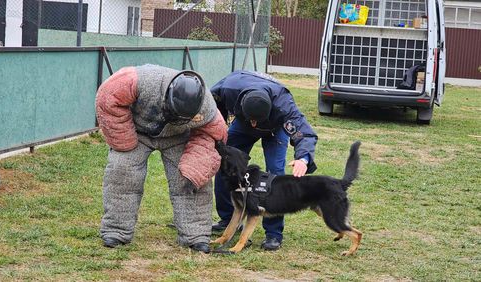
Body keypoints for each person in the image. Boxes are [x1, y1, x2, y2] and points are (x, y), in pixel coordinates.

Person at [95, 64, 227, 253]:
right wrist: (124, 139)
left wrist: (197, 163)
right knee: (122, 174)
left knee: (190, 180)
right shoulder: (138, 81)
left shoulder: (206, 106)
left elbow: (213, 134)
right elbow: (108, 98)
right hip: (136, 132)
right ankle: (116, 231)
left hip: (178, 137)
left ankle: (195, 236)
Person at [211, 70, 318, 251]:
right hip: (241, 124)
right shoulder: (228, 88)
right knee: (226, 165)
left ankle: (273, 233)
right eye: (252, 120)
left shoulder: (283, 105)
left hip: (274, 128)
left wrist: (303, 158)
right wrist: (218, 128)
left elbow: (304, 132)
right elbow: (211, 107)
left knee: (274, 175)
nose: (255, 124)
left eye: (257, 121)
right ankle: (228, 218)